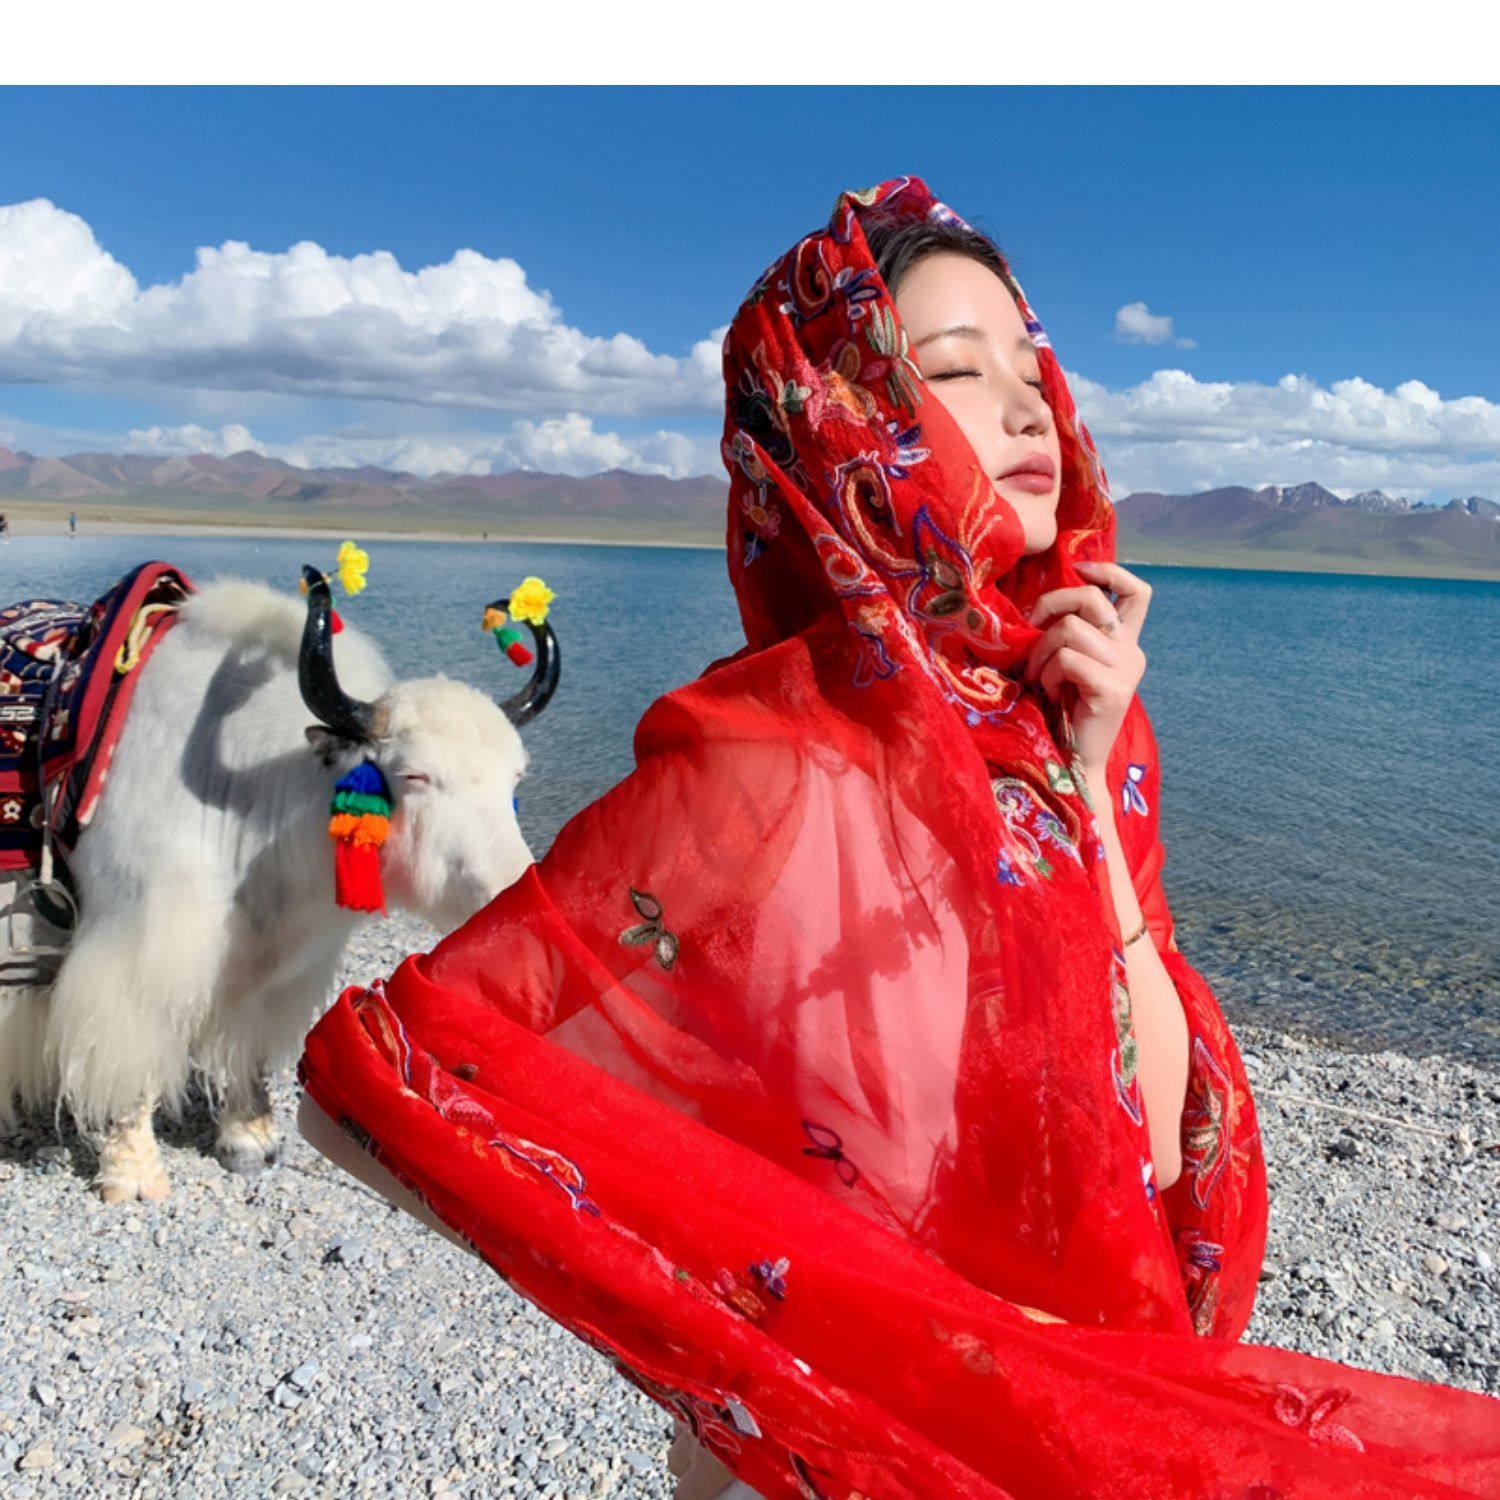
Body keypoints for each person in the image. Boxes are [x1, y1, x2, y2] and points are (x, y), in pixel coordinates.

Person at [298, 177, 1500, 1497]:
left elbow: (1152, 1141)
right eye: (958, 369)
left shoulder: (1076, 731)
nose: (1034, 407)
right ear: (845, 420)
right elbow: (392, 1080)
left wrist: (1085, 786)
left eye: (1033, 368)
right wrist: (750, 1314)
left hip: (1076, 1419)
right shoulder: (765, 758)